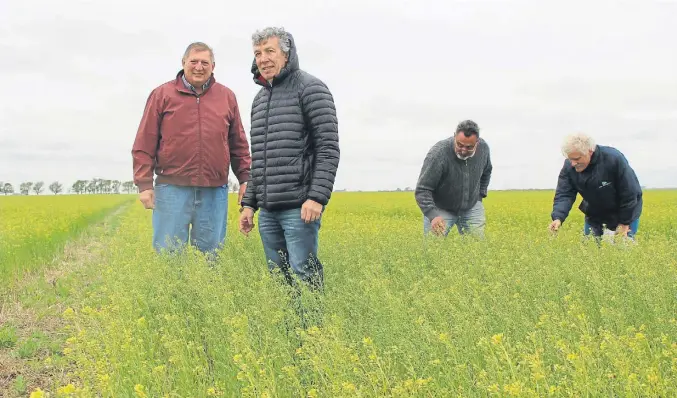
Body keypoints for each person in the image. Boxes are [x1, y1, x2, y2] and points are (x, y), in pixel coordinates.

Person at [238, 27, 340, 290]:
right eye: (258, 53)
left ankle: (315, 329)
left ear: (286, 53)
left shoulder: (311, 88)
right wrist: (249, 204)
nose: (263, 59)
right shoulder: (260, 100)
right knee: (278, 280)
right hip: (268, 211)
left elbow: (328, 148)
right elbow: (259, 158)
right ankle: (289, 330)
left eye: (270, 51)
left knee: (305, 275)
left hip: (299, 206)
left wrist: (316, 197)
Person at [132, 42, 252, 255]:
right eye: (193, 61)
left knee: (211, 258)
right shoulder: (162, 95)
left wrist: (245, 179)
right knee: (168, 256)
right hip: (171, 189)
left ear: (213, 66)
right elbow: (144, 142)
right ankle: (172, 290)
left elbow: (238, 143)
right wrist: (144, 184)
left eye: (204, 62)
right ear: (183, 63)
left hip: (214, 191)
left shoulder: (227, 97)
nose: (199, 67)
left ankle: (205, 289)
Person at [549, 132, 642, 241]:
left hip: (625, 212)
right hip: (595, 214)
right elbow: (564, 194)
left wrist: (624, 223)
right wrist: (558, 217)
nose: (573, 163)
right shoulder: (569, 167)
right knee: (591, 249)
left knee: (622, 249)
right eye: (570, 159)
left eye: (577, 159)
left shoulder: (613, 159)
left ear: (590, 151)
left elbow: (630, 193)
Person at [415, 120, 492, 237]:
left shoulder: (483, 149)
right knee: (433, 248)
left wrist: (479, 197)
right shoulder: (438, 153)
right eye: (459, 145)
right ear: (454, 136)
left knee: (477, 248)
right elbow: (423, 189)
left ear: (477, 142)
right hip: (440, 209)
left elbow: (487, 171)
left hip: (471, 207)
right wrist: (433, 215)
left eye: (469, 147)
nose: (463, 150)